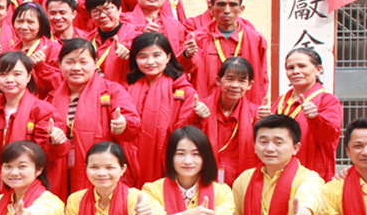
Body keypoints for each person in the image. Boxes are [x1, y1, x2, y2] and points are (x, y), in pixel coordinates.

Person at [0, 52, 69, 215]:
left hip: (29, 183)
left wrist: (56, 142)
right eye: (3, 74)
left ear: (28, 77)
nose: (9, 79)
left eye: (17, 74)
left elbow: (51, 154)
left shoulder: (42, 110)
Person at [46, 39, 140, 197]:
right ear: (59, 64)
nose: (76, 68)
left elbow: (133, 124)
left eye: (83, 62)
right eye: (70, 62)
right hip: (62, 170)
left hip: (101, 170)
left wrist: (123, 125)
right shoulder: (51, 98)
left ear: (95, 63)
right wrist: (52, 141)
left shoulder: (112, 91)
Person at [125, 33, 198, 185]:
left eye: (156, 55)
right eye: (142, 57)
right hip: (131, 164)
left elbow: (184, 133)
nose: (150, 62)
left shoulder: (183, 91)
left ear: (168, 57)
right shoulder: (127, 90)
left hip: (168, 164)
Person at [260, 47, 342, 181]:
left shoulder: (327, 100)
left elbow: (330, 136)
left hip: (312, 175)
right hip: (279, 173)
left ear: (318, 70)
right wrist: (262, 120)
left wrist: (315, 118)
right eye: (290, 68)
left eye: (302, 66)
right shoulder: (282, 101)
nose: (295, 71)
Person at [186, 0, 269, 103]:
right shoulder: (198, 38)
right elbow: (186, 71)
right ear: (211, 9)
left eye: (233, 5)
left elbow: (262, 78)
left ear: (241, 9)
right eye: (221, 4)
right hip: (206, 105)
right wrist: (186, 55)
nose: (227, 10)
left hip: (245, 106)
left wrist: (256, 106)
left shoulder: (256, 39)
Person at [191, 57, 261, 184]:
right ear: (218, 80)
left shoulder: (255, 113)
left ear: (250, 85)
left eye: (242, 81)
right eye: (230, 79)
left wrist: (265, 122)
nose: (235, 85)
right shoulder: (201, 108)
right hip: (205, 176)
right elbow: (183, 137)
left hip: (240, 179)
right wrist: (195, 117)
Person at [121, 0, 190, 61]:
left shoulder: (175, 24)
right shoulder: (123, 20)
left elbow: (179, 58)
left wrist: (187, 54)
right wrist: (141, 33)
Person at [80, 0, 134, 80]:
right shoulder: (89, 39)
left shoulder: (133, 34)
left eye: (107, 9)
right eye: (96, 11)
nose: (102, 15)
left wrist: (130, 50)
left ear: (119, 9)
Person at [10, 3, 62, 97]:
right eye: (20, 21)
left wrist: (41, 67)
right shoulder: (12, 49)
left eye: (30, 22)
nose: (24, 27)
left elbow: (61, 84)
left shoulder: (54, 49)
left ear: (41, 24)